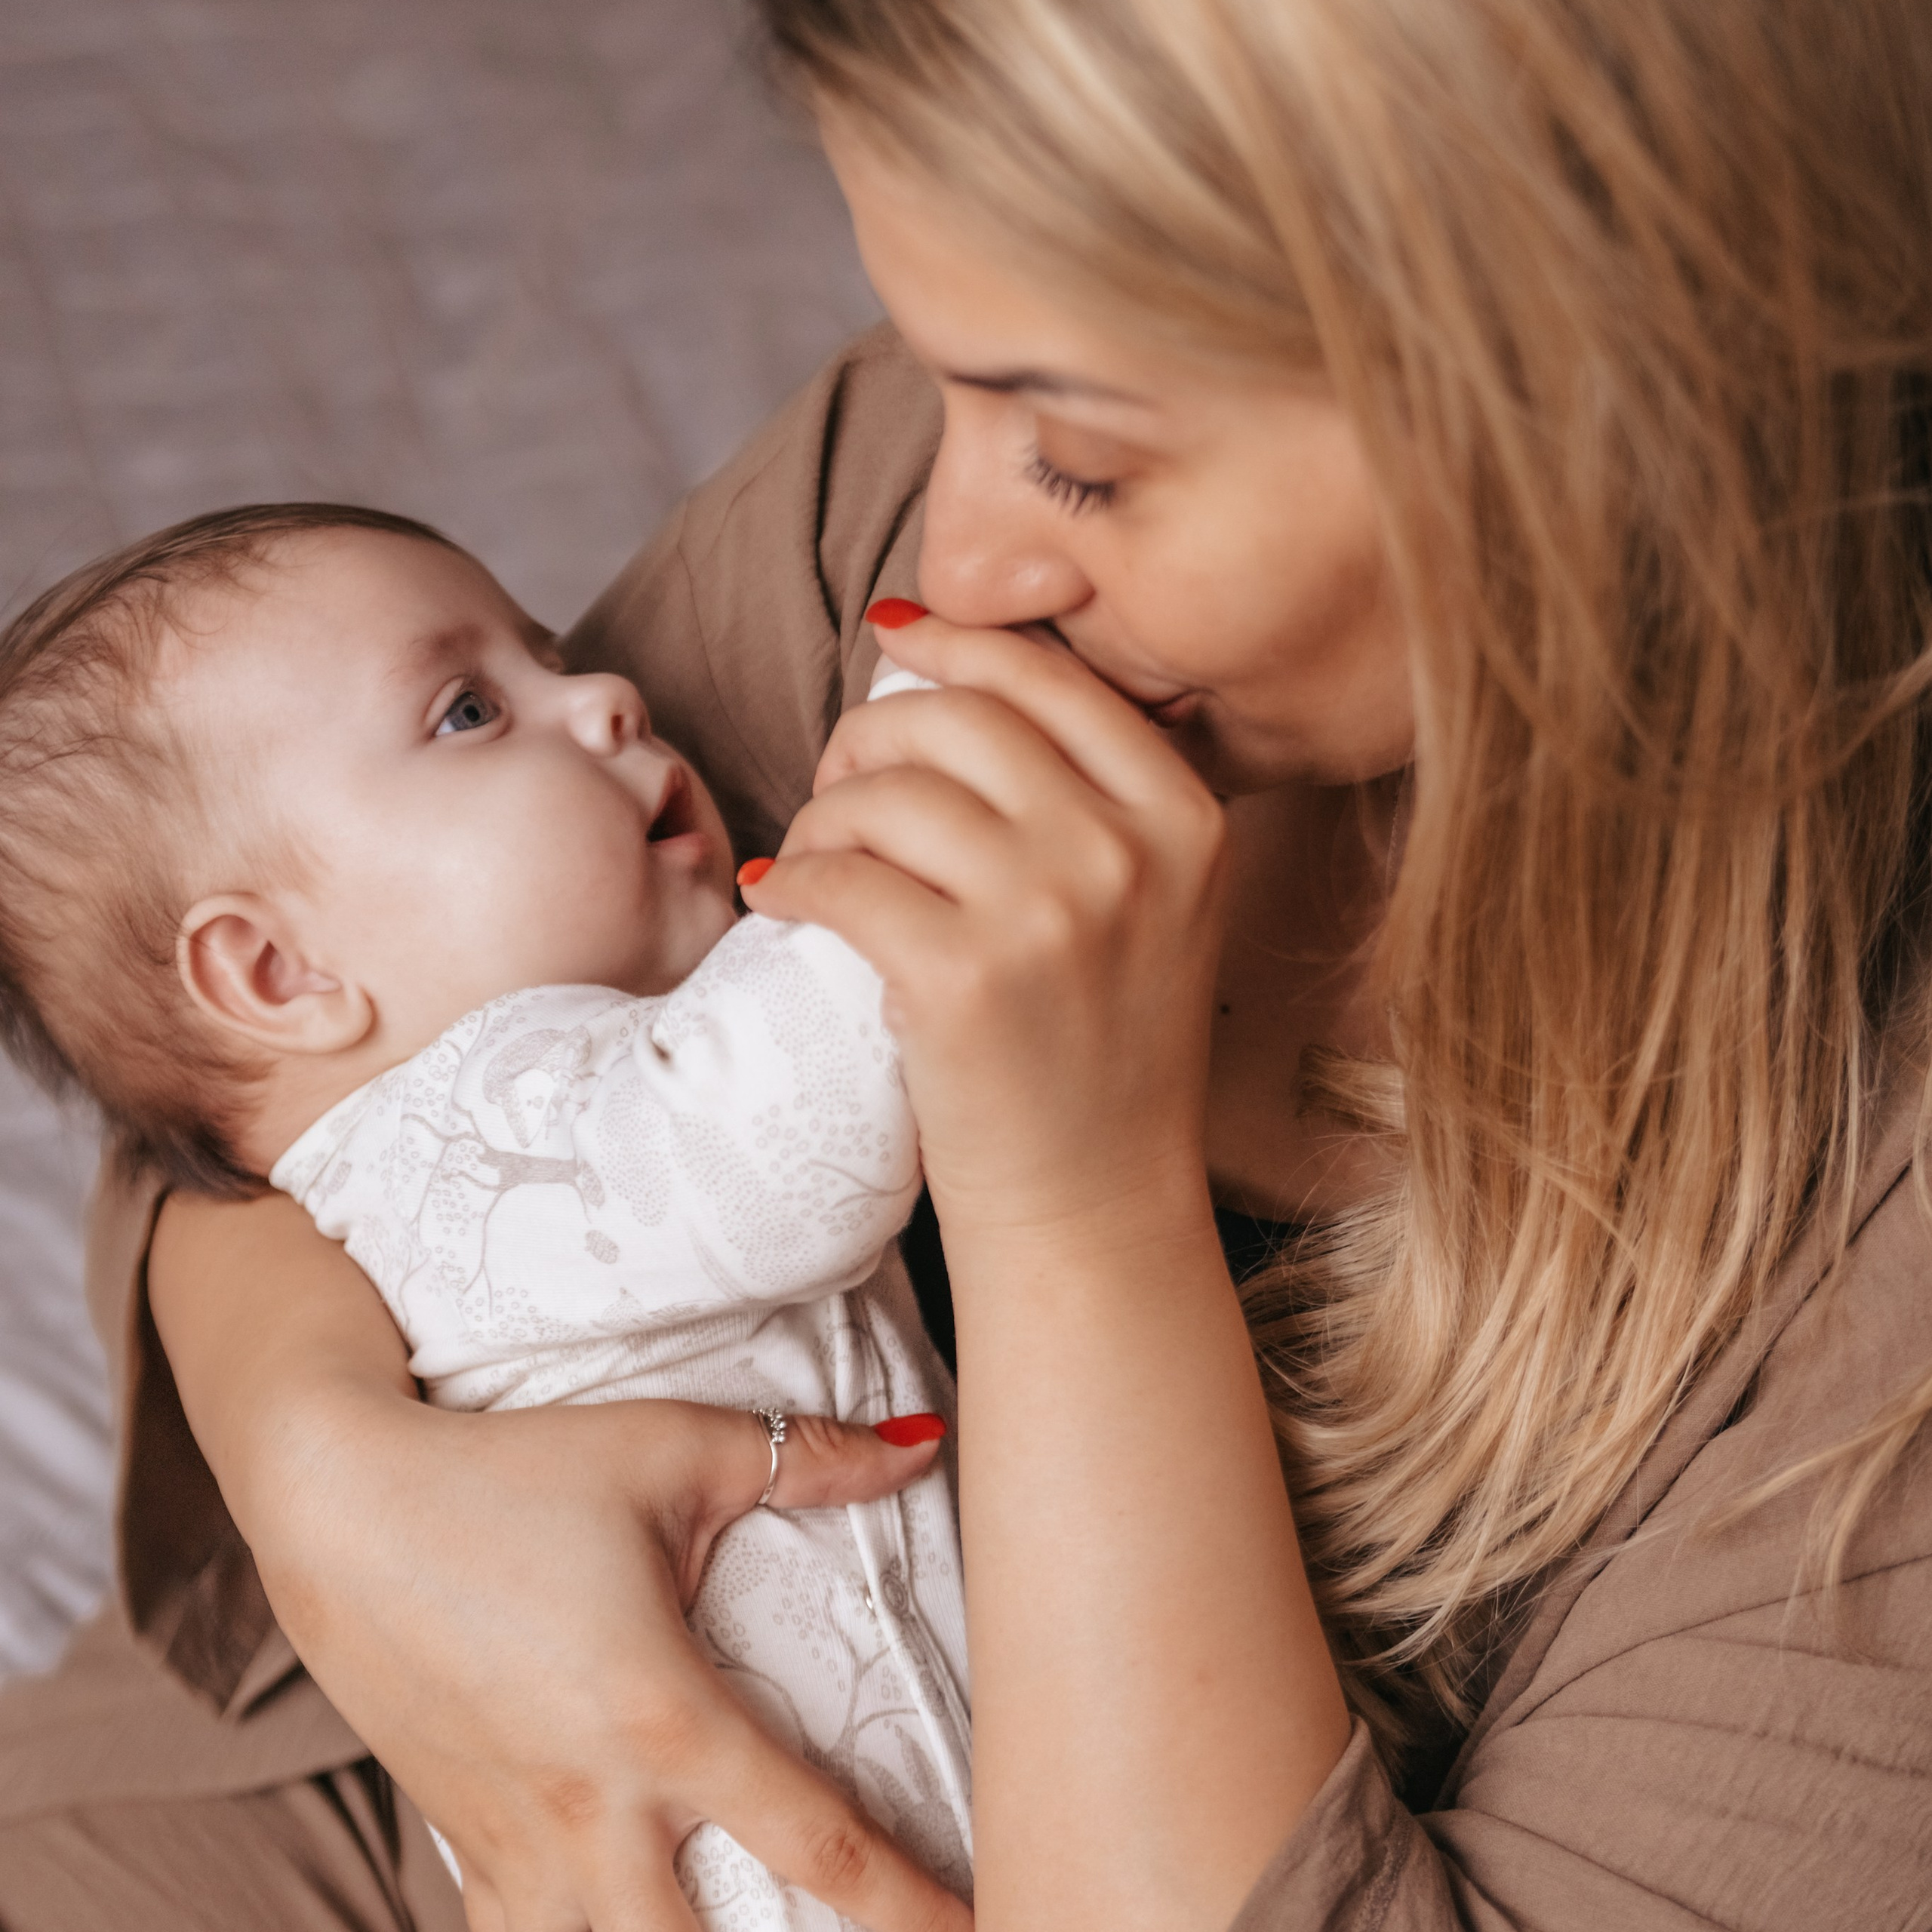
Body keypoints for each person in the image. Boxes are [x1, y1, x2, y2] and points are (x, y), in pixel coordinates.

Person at [2, 0, 1930, 1926]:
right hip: (344, 1768)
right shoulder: (920, 498)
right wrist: (336, 1476)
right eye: (942, 385)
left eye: (1082, 458)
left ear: (1597, 391)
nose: (962, 551)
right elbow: (243, 1041)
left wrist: (1070, 1204)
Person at [0, 504, 971, 1925]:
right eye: (470, 710)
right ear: (275, 973)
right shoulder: (472, 1135)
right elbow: (798, 1115)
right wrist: (954, 718)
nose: (605, 694)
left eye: (546, 653)